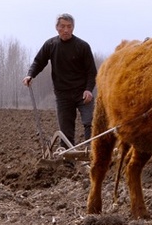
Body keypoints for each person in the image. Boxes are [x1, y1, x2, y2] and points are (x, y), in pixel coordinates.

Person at [23, 13, 98, 150]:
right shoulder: (51, 45)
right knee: (66, 131)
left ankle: (91, 154)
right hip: (63, 94)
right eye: (62, 26)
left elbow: (92, 72)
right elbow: (39, 61)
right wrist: (30, 75)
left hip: (82, 93)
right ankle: (67, 163)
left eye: (69, 27)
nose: (66, 30)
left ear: (73, 28)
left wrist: (88, 89)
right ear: (57, 28)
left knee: (90, 122)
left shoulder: (82, 46)